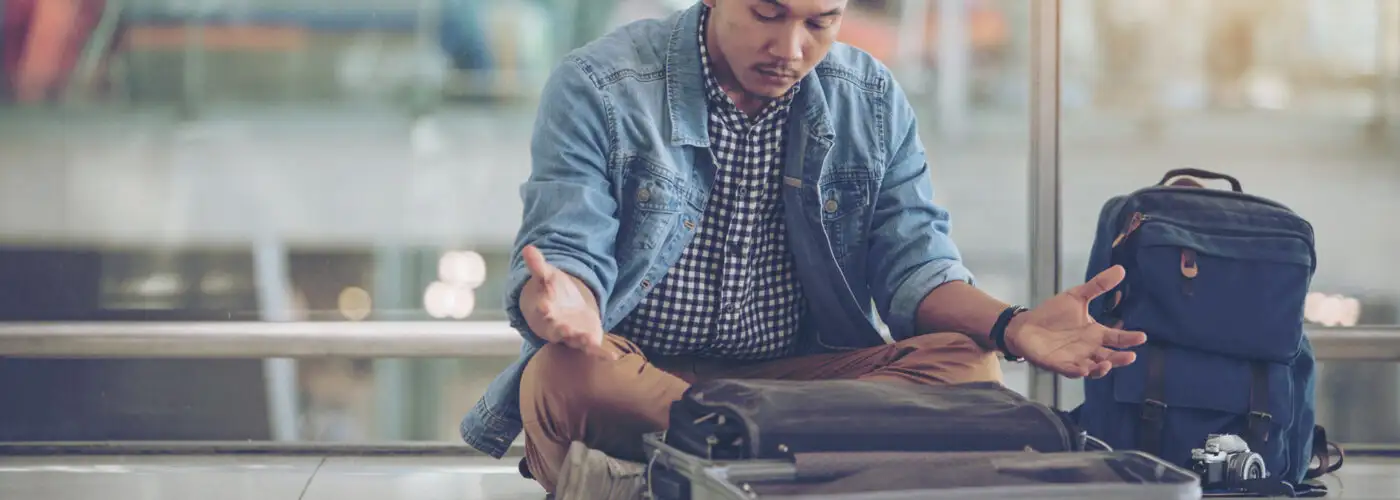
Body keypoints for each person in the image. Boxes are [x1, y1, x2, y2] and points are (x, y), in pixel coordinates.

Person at [458, 0, 1148, 497]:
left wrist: (1012, 326)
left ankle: (671, 479)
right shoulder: (602, 85)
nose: (790, 48)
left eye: (820, 22)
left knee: (969, 371)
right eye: (767, 13)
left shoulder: (870, 98)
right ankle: (789, 471)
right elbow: (565, 248)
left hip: (798, 385)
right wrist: (563, 301)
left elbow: (914, 265)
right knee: (560, 376)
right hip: (644, 381)